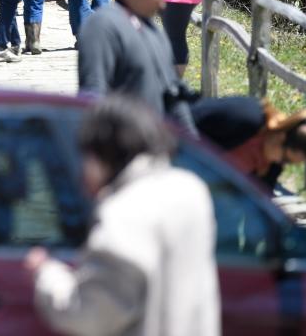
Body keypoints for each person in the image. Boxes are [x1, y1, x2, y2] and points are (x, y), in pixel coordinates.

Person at [25, 97, 220, 336]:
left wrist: (46, 273)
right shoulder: (190, 190)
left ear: (100, 156)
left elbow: (89, 315)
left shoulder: (121, 214)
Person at [77, 0, 196, 133]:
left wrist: (193, 144)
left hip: (159, 147)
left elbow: (173, 97)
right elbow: (93, 96)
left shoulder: (155, 32)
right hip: (125, 150)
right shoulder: (102, 26)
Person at [191, 96, 306, 188]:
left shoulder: (272, 167)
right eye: (285, 159)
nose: (281, 164)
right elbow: (189, 121)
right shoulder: (244, 116)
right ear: (281, 137)